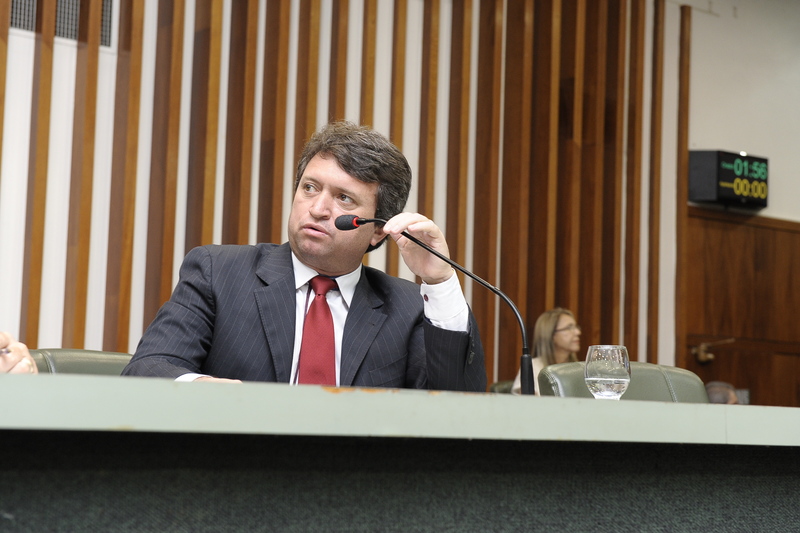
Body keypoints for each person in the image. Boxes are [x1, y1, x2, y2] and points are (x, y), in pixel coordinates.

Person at [122, 121, 486, 392]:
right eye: (310, 188)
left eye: (344, 198)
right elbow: (147, 369)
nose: (318, 209)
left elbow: (457, 409)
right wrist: (204, 390)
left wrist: (440, 282)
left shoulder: (407, 308)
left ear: (378, 229)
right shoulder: (218, 273)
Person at [511, 308, 580, 395]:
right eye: (569, 328)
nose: (578, 332)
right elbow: (529, 401)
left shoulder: (579, 369)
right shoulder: (533, 367)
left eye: (576, 327)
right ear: (551, 335)